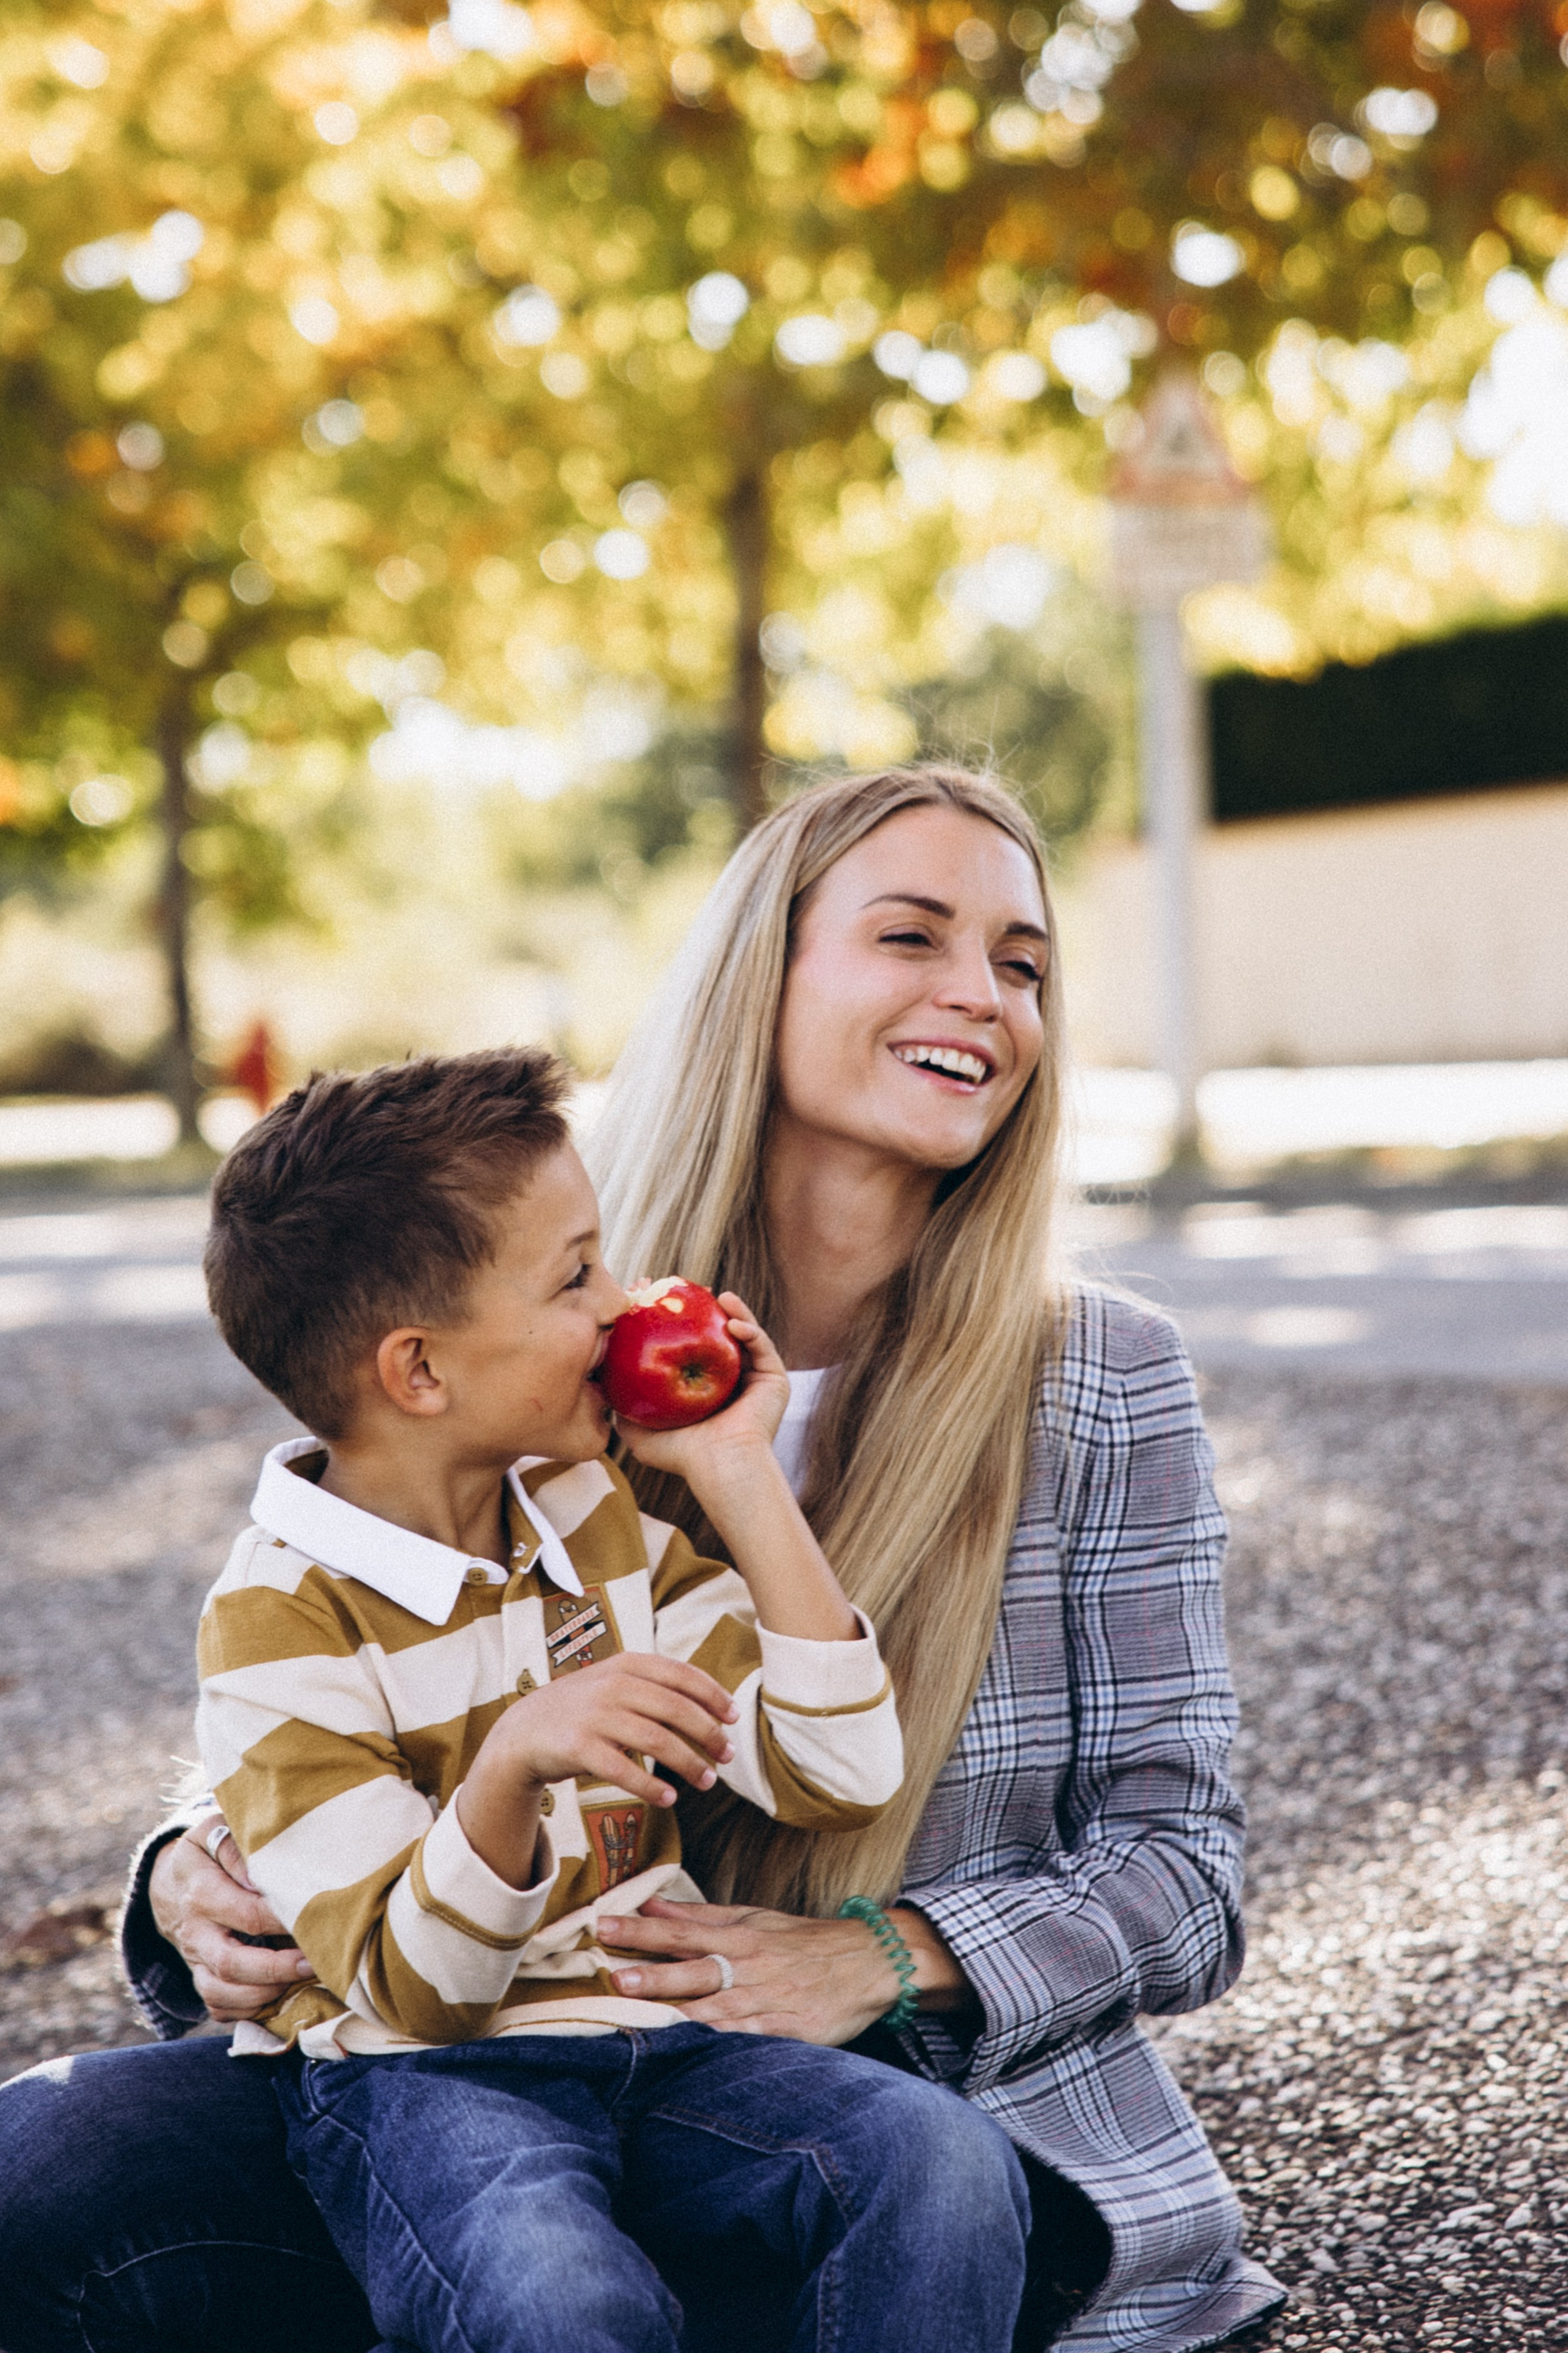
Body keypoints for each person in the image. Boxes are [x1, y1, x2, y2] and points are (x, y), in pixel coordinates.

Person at [0, 765, 1286, 2353]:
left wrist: (878, 1961)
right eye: (913, 936)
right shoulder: (544, 1309)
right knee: (43, 2159)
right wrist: (193, 1866)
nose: (983, 996)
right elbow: (346, 1638)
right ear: (769, 969)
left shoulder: (1099, 1375)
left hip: (849, 2094)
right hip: (462, 2036)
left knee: (861, 2207)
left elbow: (1183, 1867)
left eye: (1021, 963)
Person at [185, 1044, 1017, 2353]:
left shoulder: (584, 1515)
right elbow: (411, 1989)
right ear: (419, 1372)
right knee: (558, 2300)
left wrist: (737, 1469)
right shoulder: (277, 1622)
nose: (624, 1304)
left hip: (663, 2047)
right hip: (430, 2087)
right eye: (576, 1276)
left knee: (940, 2166)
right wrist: (512, 1766)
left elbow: (836, 1770)